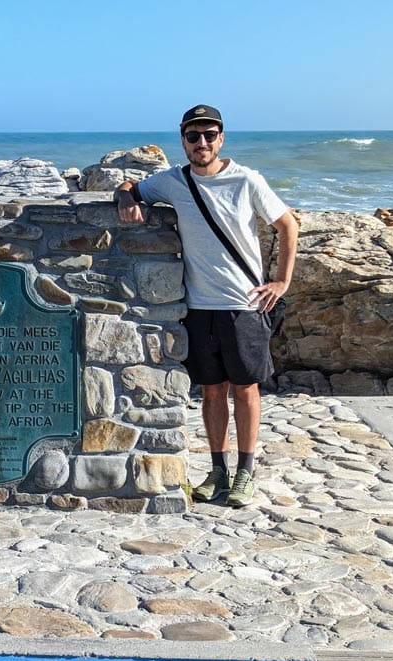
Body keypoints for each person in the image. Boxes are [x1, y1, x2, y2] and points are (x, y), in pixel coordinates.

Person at [117, 105, 298, 508]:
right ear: (183, 140)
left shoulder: (246, 179)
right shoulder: (173, 181)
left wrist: (281, 282)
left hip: (244, 304)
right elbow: (132, 186)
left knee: (245, 389)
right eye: (193, 136)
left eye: (210, 135)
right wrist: (124, 197)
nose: (202, 143)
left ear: (222, 138)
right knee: (212, 391)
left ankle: (245, 474)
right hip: (198, 307)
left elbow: (288, 225)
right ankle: (218, 471)